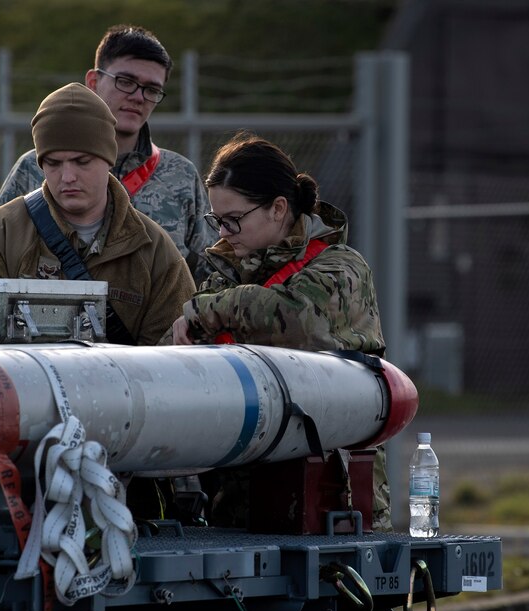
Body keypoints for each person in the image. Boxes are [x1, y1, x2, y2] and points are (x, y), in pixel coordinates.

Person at [164, 131, 391, 531]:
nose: (223, 233)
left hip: (330, 504)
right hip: (241, 504)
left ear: (278, 208)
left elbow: (299, 320)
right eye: (217, 220)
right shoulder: (225, 272)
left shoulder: (341, 268)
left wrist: (205, 309)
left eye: (233, 219)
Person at [0, 82, 195, 347]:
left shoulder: (154, 251)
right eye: (54, 163)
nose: (67, 177)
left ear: (108, 159)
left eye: (82, 162)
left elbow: (171, 364)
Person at [0, 24, 217, 283]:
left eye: (151, 89)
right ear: (93, 82)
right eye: (126, 82)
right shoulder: (34, 167)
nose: (138, 97)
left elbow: (207, 279)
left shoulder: (181, 176)